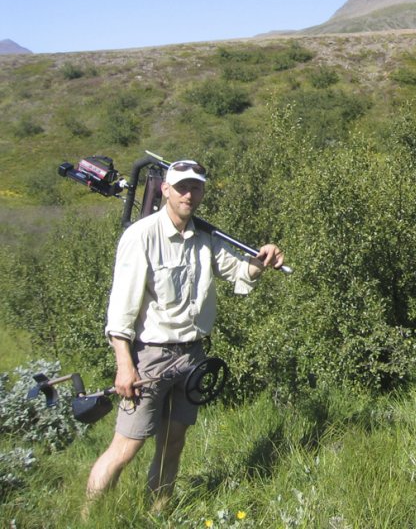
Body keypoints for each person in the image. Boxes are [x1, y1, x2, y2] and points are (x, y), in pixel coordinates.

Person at [85, 159, 284, 511]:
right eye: (181, 187)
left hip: (192, 355)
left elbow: (239, 271)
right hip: (150, 357)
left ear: (203, 192)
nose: (188, 194)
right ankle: (89, 516)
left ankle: (158, 512)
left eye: (196, 187)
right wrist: (124, 365)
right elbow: (121, 310)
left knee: (173, 441)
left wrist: (261, 259)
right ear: (165, 190)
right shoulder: (141, 236)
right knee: (126, 446)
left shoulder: (205, 237)